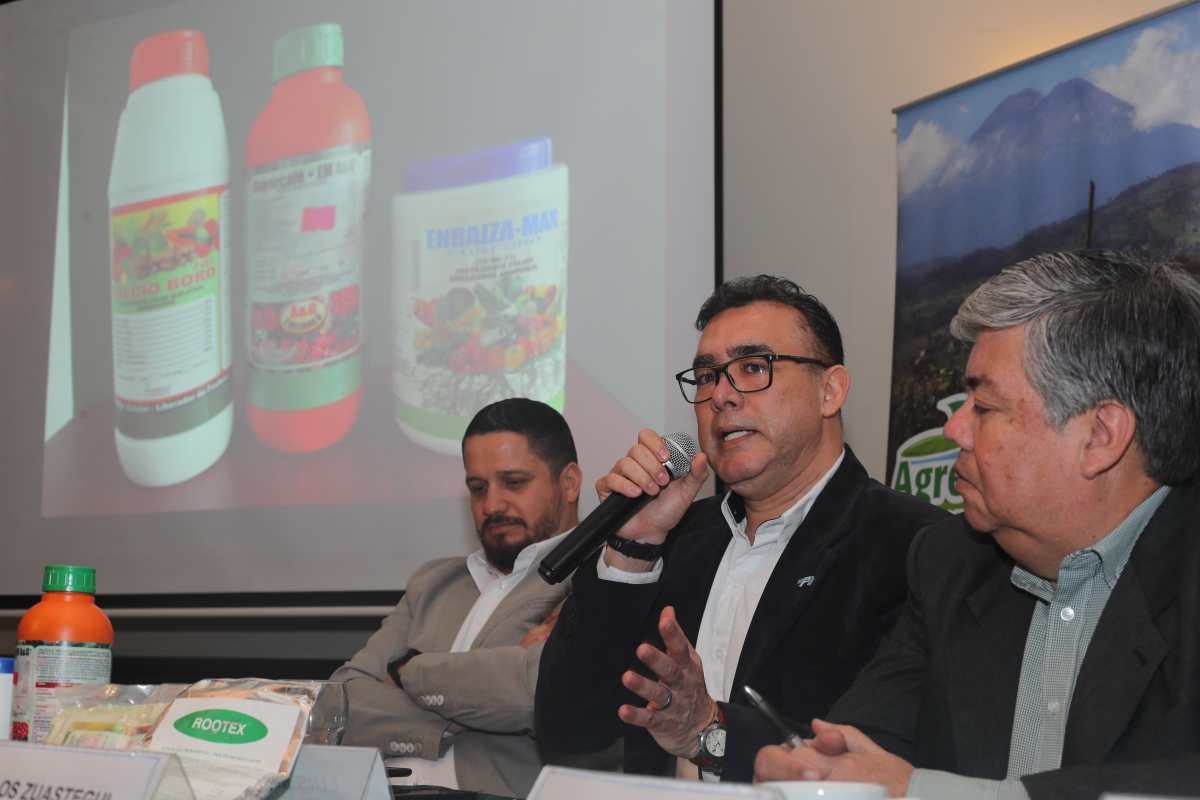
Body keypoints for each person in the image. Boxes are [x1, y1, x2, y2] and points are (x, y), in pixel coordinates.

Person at [754, 250, 1200, 800]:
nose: (955, 429)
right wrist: (816, 773)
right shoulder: (950, 562)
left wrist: (927, 794)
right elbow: (866, 745)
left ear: (1100, 436)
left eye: (983, 407)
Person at [536, 276, 949, 781]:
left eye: (753, 367)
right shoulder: (674, 538)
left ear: (830, 390)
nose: (721, 396)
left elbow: (872, 760)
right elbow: (568, 729)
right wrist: (632, 547)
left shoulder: (915, 548)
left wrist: (710, 733)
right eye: (706, 376)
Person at [333, 398, 585, 798]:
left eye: (514, 482)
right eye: (478, 488)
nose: (492, 505)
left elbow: (536, 694)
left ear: (569, 483)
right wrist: (469, 706)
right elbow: (340, 701)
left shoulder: (596, 578)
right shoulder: (434, 582)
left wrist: (406, 671)